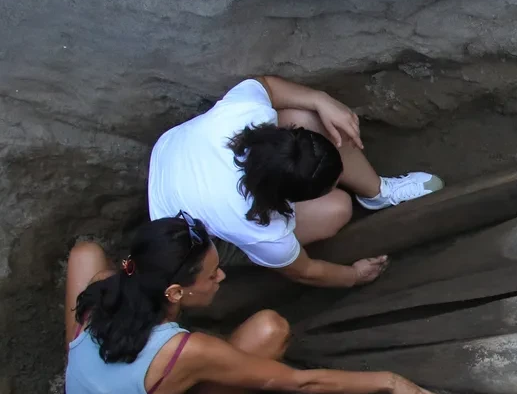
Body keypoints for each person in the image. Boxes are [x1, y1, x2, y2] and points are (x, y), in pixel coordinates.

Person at [60, 213, 446, 394]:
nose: (221, 277)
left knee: (86, 251)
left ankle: (99, 388)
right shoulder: (186, 350)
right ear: (175, 292)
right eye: (212, 275)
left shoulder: (99, 288)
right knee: (269, 331)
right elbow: (300, 383)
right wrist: (387, 380)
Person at [148, 76, 442, 288]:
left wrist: (321, 99)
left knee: (309, 116)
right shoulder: (258, 227)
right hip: (190, 235)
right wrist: (353, 276)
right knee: (338, 208)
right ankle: (356, 196)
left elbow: (267, 85)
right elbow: (304, 270)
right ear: (287, 200)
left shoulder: (244, 114)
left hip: (174, 160)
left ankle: (377, 192)